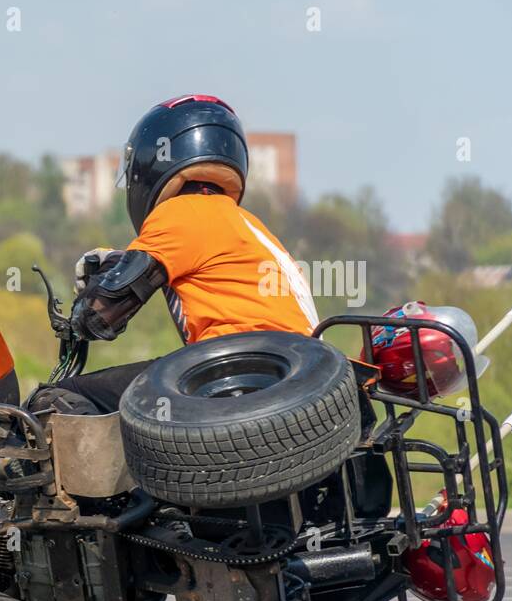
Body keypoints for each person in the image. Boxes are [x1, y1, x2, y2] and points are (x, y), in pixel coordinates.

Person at [33, 94, 319, 416]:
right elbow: (177, 262)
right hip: (296, 374)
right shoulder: (248, 225)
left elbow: (101, 314)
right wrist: (118, 261)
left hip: (233, 371)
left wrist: (81, 311)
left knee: (58, 398)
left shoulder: (181, 211)